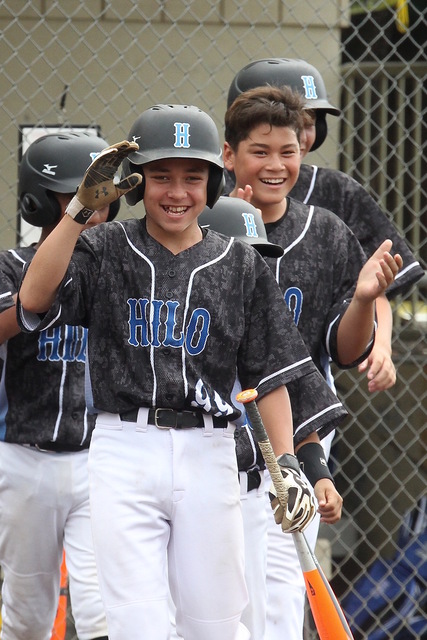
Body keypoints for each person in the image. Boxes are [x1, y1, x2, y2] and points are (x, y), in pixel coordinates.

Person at [14, 103, 348, 640]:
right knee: (137, 623)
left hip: (209, 451)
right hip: (125, 445)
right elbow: (33, 296)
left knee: (213, 625)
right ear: (137, 181)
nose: (176, 192)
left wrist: (286, 463)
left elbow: (270, 375)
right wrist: (78, 210)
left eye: (192, 177)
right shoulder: (104, 247)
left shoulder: (239, 263)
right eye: (161, 176)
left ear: (213, 183)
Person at [223, 85, 403, 640]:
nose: (276, 166)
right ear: (228, 156)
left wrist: (366, 300)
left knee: (278, 593)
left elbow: (344, 353)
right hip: (213, 428)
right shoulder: (202, 226)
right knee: (224, 594)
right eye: (260, 151)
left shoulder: (324, 231)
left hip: (298, 431)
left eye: (288, 152)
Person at [225, 57, 424, 393]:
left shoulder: (333, 199)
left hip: (307, 375)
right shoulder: (210, 195)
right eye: (296, 118)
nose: (303, 132)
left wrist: (383, 345)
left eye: (310, 120)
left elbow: (370, 283)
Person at [0, 131, 115, 640]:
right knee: (27, 615)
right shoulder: (11, 264)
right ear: (37, 201)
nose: (90, 206)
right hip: (23, 456)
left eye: (98, 195)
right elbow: (9, 318)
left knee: (100, 611)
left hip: (100, 456)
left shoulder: (118, 265)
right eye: (75, 196)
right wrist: (38, 293)